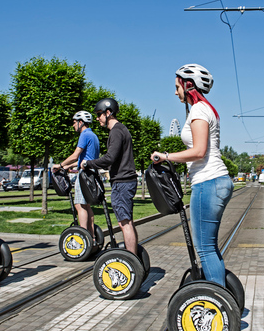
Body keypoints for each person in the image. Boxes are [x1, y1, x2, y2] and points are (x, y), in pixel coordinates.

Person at [151, 64, 232, 287]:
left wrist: (165, 156)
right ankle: (221, 296)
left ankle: (215, 304)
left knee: (205, 249)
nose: (175, 91)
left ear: (188, 85)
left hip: (208, 182)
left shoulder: (198, 110)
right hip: (215, 180)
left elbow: (198, 151)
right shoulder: (206, 109)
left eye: (176, 86)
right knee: (210, 246)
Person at [81, 98, 138, 255]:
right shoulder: (122, 130)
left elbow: (110, 158)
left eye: (99, 114)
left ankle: (131, 261)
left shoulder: (116, 131)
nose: (97, 118)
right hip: (126, 181)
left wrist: (88, 163)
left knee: (124, 223)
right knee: (128, 222)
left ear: (108, 113)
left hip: (122, 182)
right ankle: (135, 259)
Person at [52, 111, 100, 244]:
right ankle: (91, 237)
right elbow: (84, 158)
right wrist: (68, 167)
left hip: (84, 175)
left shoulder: (84, 135)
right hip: (91, 173)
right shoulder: (93, 135)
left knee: (79, 205)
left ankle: (83, 239)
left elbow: (75, 155)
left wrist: (60, 165)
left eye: (74, 122)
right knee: (87, 206)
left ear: (81, 122)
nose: (73, 125)